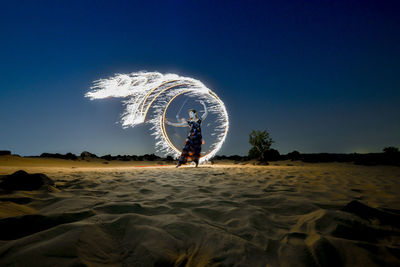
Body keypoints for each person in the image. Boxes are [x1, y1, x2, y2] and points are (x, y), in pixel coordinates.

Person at [166, 100, 208, 167]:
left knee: (196, 150)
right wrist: (171, 123)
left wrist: (204, 104)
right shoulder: (189, 122)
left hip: (198, 138)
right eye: (189, 114)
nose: (190, 114)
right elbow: (180, 124)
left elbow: (206, 113)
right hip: (190, 137)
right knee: (186, 149)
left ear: (195, 114)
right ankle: (180, 163)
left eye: (191, 113)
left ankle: (196, 163)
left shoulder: (199, 120)